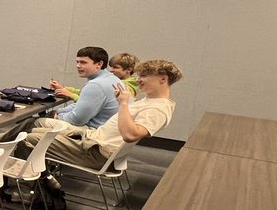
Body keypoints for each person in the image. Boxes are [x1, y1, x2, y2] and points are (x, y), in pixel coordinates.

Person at [17, 60, 182, 170]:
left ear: (163, 79)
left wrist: (123, 103)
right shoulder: (150, 101)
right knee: (37, 126)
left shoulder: (158, 109)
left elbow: (131, 135)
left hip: (97, 152)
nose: (138, 80)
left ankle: (29, 189)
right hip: (92, 138)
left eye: (144, 76)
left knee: (27, 138)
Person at [45, 46, 118, 129]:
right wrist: (58, 111)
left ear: (99, 64)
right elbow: (81, 106)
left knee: (34, 122)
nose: (78, 66)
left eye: (83, 62)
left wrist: (57, 116)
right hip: (108, 130)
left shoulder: (96, 85)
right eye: (77, 62)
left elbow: (77, 120)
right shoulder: (111, 78)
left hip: (94, 133)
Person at [58, 52, 139, 100]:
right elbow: (90, 94)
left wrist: (71, 95)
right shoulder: (116, 82)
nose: (111, 70)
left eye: (116, 67)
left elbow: (94, 103)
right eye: (111, 66)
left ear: (129, 69)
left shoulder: (124, 88)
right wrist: (66, 89)